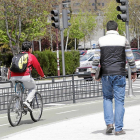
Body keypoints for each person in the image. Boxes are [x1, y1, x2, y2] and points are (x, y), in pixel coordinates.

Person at [91, 20, 137, 135]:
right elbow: (130, 57)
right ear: (117, 29)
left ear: (106, 30)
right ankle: (119, 129)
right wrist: (133, 71)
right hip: (120, 73)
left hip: (106, 74)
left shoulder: (100, 41)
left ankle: (109, 124)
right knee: (119, 100)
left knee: (107, 98)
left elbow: (96, 58)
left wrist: (93, 72)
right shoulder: (123, 40)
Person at [8, 41, 45, 112]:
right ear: (30, 49)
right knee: (33, 87)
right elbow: (38, 67)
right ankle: (27, 102)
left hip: (13, 77)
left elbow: (11, 67)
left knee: (19, 90)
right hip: (25, 77)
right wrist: (42, 75)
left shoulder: (16, 56)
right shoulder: (30, 56)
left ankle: (17, 107)